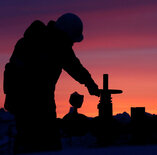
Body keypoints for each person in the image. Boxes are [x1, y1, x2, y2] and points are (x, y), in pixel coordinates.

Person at [3, 13, 99, 153]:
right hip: (27, 103)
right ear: (65, 34)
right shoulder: (40, 44)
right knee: (37, 143)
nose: (72, 44)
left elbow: (74, 66)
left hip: (40, 101)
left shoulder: (57, 45)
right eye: (71, 40)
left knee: (42, 143)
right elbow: (13, 72)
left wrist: (90, 84)